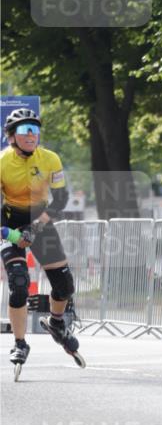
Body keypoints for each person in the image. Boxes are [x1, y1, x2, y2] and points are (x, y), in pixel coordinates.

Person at [0, 107, 84, 370]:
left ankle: (57, 322)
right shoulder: (2, 162)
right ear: (12, 137)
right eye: (25, 130)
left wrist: (34, 229)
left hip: (41, 220)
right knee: (19, 284)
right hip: (10, 221)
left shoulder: (50, 159)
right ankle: (20, 342)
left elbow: (60, 200)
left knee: (65, 286)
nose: (31, 135)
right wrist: (10, 233)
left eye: (35, 130)